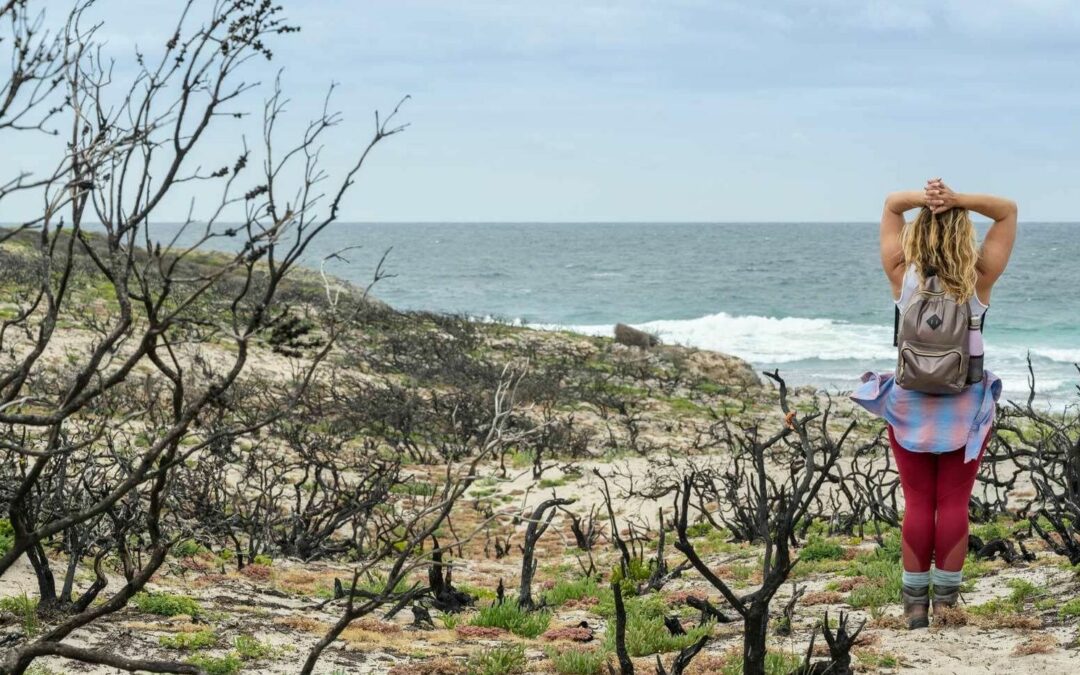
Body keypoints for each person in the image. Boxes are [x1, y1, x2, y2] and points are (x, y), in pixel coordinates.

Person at [851, 178, 1017, 629]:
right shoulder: (978, 277)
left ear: (916, 233)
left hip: (908, 407)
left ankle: (913, 608)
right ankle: (945, 604)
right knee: (954, 503)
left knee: (919, 503)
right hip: (964, 408)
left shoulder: (900, 273)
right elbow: (1006, 210)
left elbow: (890, 204)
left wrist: (928, 200)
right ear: (964, 233)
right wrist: (957, 201)